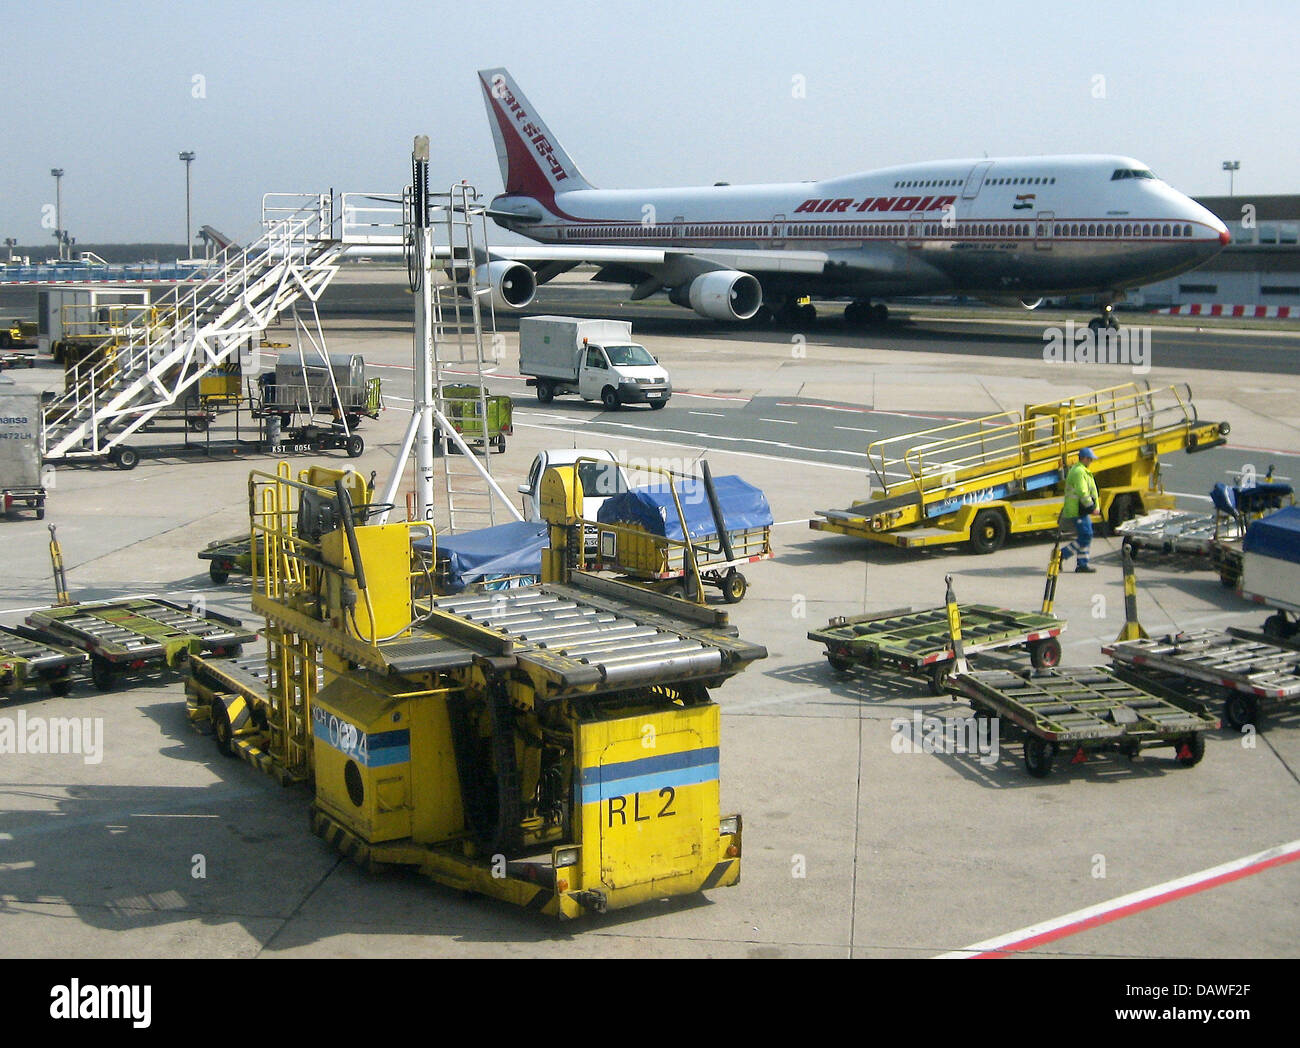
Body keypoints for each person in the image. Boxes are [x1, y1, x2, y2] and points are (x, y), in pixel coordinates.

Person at [1060, 447, 1099, 573]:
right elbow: (1083, 492)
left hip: (1081, 510)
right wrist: (1091, 507)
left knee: (1086, 535)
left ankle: (1082, 564)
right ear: (1085, 458)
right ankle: (1062, 555)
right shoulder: (1079, 472)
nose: (1091, 462)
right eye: (1090, 459)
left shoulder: (1082, 471)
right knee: (1086, 535)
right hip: (1077, 511)